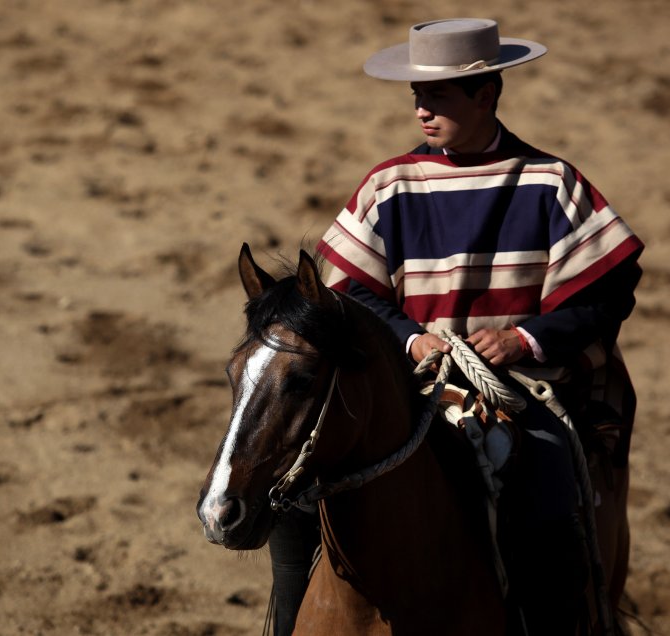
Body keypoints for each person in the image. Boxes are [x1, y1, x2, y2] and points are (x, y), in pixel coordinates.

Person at [270, 17, 643, 635]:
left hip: (518, 388)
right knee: (293, 490)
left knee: (548, 484)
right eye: (417, 93)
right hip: (411, 379)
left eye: (438, 94)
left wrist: (523, 339)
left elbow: (606, 294)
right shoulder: (389, 185)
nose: (421, 109)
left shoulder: (552, 183)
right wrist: (411, 338)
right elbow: (351, 294)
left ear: (486, 94)